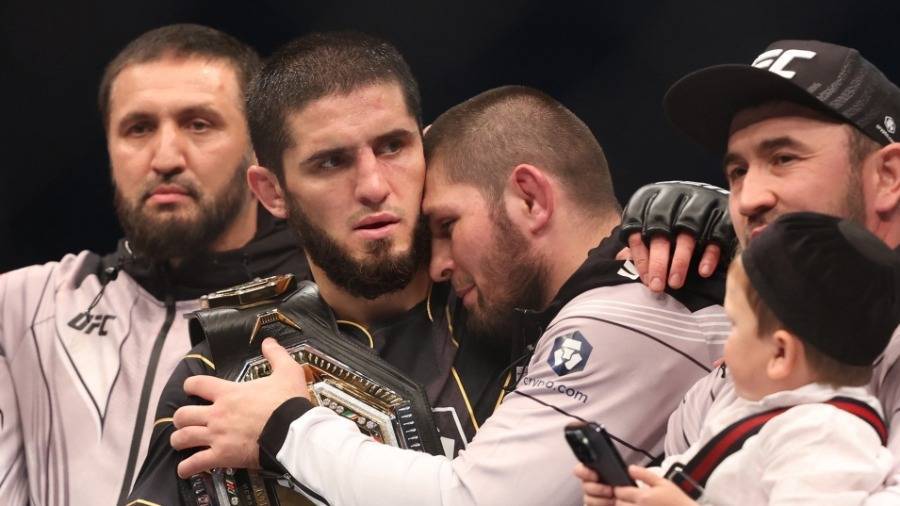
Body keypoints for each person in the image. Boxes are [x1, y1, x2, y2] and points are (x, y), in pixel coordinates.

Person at [164, 85, 730, 505]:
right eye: (331, 161)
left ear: (530, 199)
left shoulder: (625, 312)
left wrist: (286, 425)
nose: (437, 264)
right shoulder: (629, 291)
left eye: (446, 225)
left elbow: (470, 501)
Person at [126, 32, 509, 505]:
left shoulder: (520, 312)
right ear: (272, 192)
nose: (373, 185)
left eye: (392, 146)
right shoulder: (227, 368)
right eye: (331, 162)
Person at [0, 24, 312, 506]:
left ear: (258, 149)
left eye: (199, 124)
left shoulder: (320, 314)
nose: (165, 158)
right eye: (139, 128)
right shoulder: (22, 308)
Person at [618, 39, 900, 503]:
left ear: (888, 177)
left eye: (783, 158)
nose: (748, 200)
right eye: (737, 172)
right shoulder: (722, 386)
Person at [578, 212, 898, 505]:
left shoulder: (825, 437)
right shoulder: (757, 408)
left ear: (780, 353)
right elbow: (695, 480)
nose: (725, 349)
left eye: (734, 326)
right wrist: (632, 493)